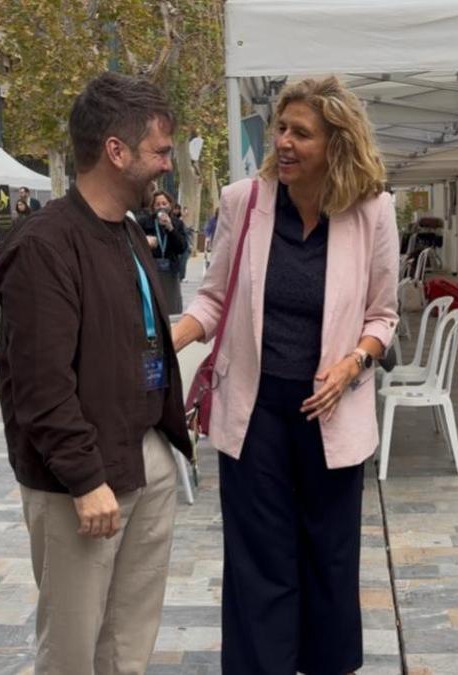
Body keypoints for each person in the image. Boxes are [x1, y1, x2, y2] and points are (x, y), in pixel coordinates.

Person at [172, 76, 399, 675]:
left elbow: (383, 315)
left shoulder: (372, 211)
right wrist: (164, 340)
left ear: (337, 143)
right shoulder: (244, 201)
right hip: (255, 413)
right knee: (259, 560)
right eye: (282, 129)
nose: (286, 143)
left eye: (303, 133)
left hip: (333, 412)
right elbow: (213, 299)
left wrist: (353, 364)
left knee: (329, 559)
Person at [0, 72, 191, 674]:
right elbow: (41, 385)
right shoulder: (45, 245)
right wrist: (83, 478)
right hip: (83, 482)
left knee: (129, 641)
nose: (166, 165)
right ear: (116, 151)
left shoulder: (128, 231)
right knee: (73, 651)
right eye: (159, 151)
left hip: (145, 456)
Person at [138, 190, 187, 313]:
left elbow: (182, 247)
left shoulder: (177, 223)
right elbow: (135, 243)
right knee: (153, 306)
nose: (161, 207)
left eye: (164, 203)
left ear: (170, 205)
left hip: (170, 271)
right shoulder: (144, 223)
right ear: (153, 207)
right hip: (151, 269)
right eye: (158, 204)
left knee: (171, 306)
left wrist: (170, 228)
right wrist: (146, 241)